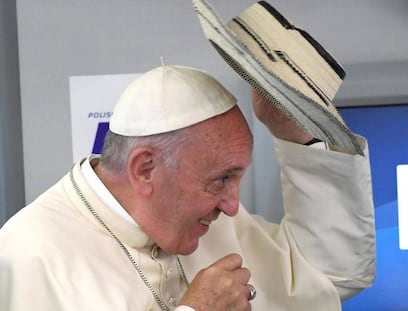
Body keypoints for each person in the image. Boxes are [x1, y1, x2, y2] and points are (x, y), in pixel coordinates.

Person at [0, 64, 375, 311]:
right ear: (145, 168)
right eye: (221, 179)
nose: (231, 206)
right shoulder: (29, 255)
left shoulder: (217, 222)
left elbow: (331, 276)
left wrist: (297, 133)